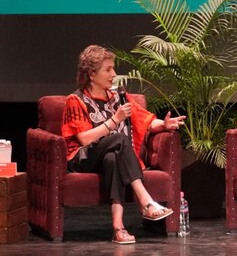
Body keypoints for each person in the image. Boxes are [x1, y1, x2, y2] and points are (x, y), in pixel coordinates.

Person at [62, 45, 186, 244]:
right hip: (84, 158)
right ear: (92, 74)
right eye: (108, 69)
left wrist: (164, 124)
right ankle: (145, 201)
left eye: (113, 68)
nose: (114, 74)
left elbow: (145, 120)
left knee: (113, 158)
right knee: (119, 138)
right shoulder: (76, 100)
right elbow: (84, 139)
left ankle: (118, 229)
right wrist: (115, 120)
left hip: (108, 158)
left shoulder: (119, 97)